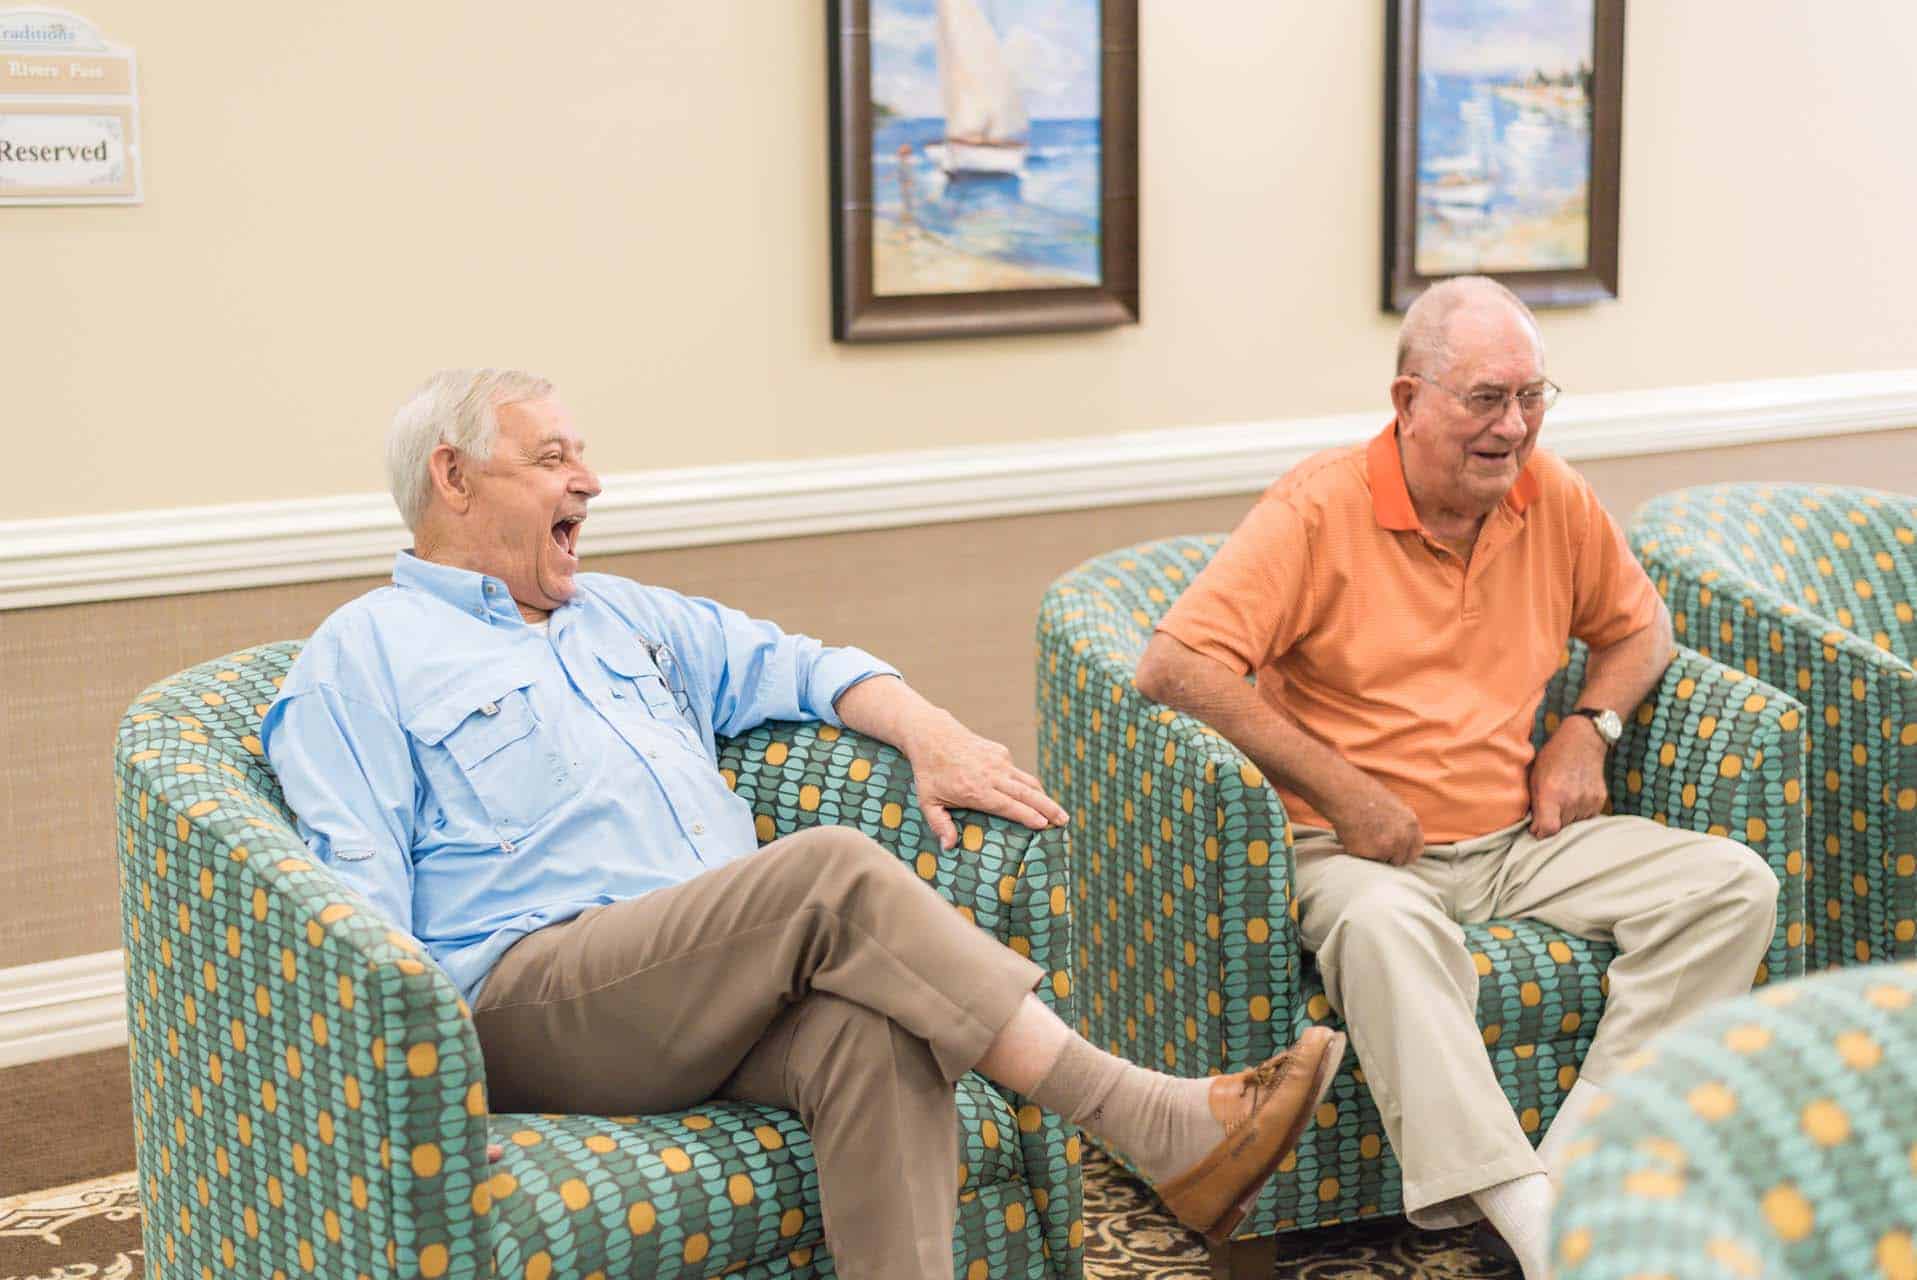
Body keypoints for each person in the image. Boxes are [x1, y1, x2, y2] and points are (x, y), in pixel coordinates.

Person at [262, 368, 1346, 1278]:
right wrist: (418, 1079)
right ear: (451, 477)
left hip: (708, 980)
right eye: (551, 458)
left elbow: (802, 665)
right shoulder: (362, 656)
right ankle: (1143, 1116)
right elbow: (358, 903)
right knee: (822, 866)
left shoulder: (622, 615)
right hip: (529, 997)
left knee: (874, 1032)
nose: (587, 480)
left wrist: (930, 732)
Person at [1133, 277, 1778, 1280]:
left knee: (1731, 883)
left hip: (1517, 837)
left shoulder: (1550, 494)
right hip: (1352, 851)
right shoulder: (1317, 507)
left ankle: (1580, 1163)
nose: (1513, 426)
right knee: (1390, 928)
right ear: (1409, 400)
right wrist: (1345, 791)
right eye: (1486, 398)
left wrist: (1588, 729)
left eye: (1532, 396)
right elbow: (1174, 663)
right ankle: (1532, 1221)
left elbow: (1641, 626)